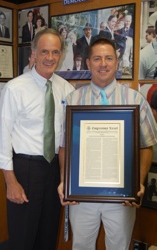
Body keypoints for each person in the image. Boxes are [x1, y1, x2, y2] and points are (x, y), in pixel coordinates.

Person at [58, 38, 157, 250]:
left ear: (117, 62)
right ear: (87, 63)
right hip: (81, 196)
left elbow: (146, 146)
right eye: (97, 58)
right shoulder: (72, 100)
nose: (103, 63)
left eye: (109, 58)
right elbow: (64, 147)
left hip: (122, 198)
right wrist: (65, 182)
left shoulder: (136, 100)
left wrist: (137, 183)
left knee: (119, 247)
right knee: (81, 246)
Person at [0, 28, 74, 250]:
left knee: (47, 237)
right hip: (25, 171)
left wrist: (65, 179)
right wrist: (11, 182)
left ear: (61, 54)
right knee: (23, 239)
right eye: (44, 51)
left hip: (53, 169)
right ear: (34, 54)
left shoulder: (66, 89)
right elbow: (1, 137)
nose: (50, 58)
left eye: (55, 52)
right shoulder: (15, 88)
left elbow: (66, 139)